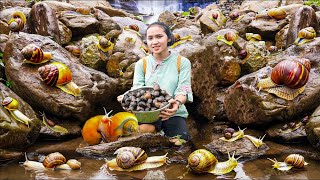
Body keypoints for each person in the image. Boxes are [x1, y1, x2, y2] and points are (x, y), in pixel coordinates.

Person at [117, 22, 193, 145]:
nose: (154, 42)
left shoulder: (182, 62)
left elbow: (183, 89)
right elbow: (137, 89)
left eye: (159, 37)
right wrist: (127, 98)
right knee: (141, 135)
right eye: (150, 38)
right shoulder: (142, 63)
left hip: (172, 112)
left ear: (168, 38)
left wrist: (177, 104)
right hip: (148, 113)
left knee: (180, 142)